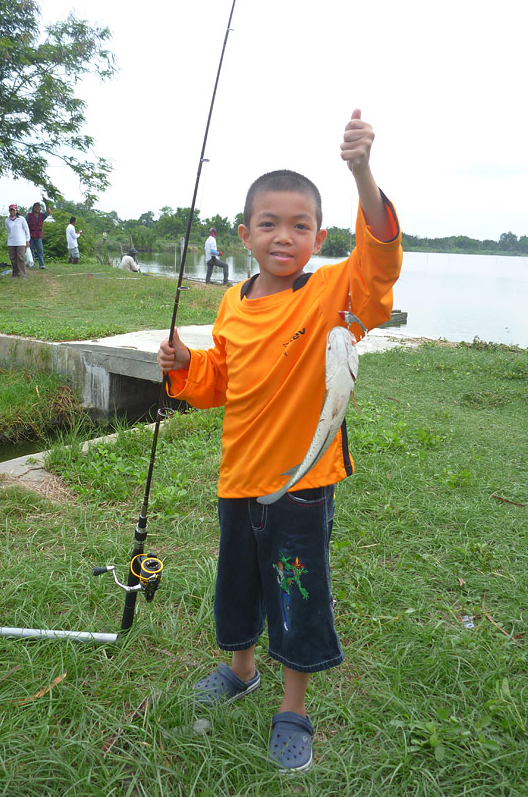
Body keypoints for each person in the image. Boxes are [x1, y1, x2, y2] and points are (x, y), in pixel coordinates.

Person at [157, 110, 402, 773]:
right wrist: (187, 367)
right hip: (238, 479)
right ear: (245, 234)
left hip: (301, 487)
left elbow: (379, 261)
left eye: (300, 226)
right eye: (269, 224)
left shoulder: (332, 295)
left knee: (296, 592)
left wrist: (360, 170)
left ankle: (294, 706)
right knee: (237, 583)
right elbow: (221, 381)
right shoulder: (233, 302)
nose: (284, 237)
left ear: (319, 236)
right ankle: (241, 670)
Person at [4, 204, 30, 279]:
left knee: (20, 258)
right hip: (11, 241)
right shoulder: (7, 220)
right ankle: (15, 273)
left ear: (16, 211)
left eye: (13, 210)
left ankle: (23, 274)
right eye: (11, 210)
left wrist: (27, 240)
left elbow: (26, 229)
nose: (12, 211)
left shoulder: (21, 219)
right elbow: (8, 229)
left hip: (21, 241)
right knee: (13, 258)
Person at [26, 201, 51, 269]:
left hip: (38, 235)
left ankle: (41, 265)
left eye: (38, 207)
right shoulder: (28, 216)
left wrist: (46, 203)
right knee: (31, 251)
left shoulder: (41, 216)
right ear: (33, 208)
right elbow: (25, 225)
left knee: (40, 250)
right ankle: (32, 264)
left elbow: (48, 212)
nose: (37, 208)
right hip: (30, 235)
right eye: (36, 207)